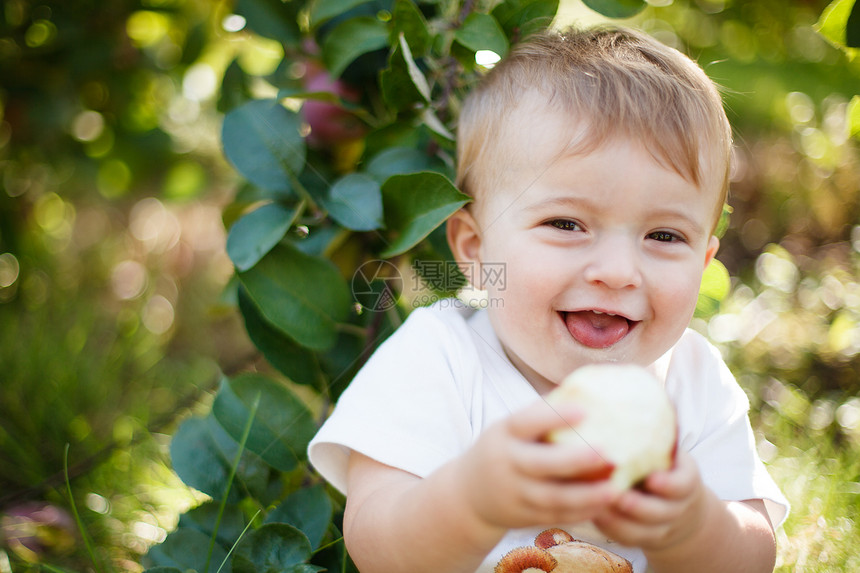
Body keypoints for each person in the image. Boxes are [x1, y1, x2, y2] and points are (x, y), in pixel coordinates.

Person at [308, 25, 789, 573]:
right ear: (476, 247)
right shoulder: (437, 357)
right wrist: (471, 499)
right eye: (566, 223)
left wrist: (695, 525)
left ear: (704, 262)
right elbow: (375, 545)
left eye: (664, 236)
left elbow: (754, 555)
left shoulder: (694, 379)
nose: (616, 272)